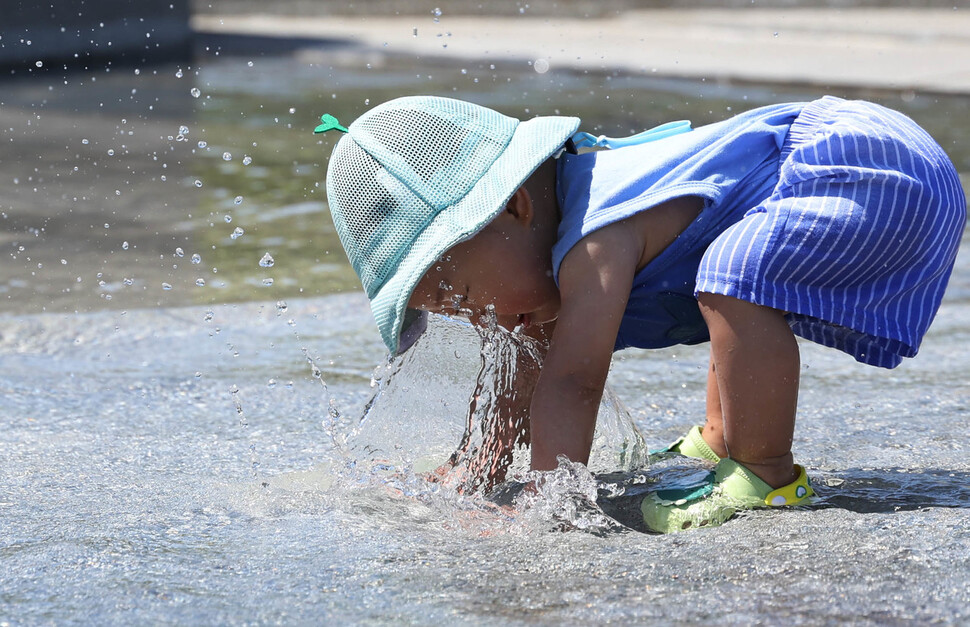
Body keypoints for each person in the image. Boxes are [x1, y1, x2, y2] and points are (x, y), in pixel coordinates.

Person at [318, 95, 966, 532]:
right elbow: (520, 378)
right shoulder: (553, 236)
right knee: (731, 274)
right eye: (451, 311)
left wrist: (550, 507)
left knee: (731, 279)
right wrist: (478, 466)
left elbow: (572, 383)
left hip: (870, 165)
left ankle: (765, 473)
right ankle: (724, 437)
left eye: (459, 293)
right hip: (876, 164)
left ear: (515, 207)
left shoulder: (592, 239)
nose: (476, 317)